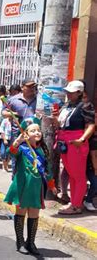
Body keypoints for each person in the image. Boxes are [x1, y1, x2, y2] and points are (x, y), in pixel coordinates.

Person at [4, 117, 57, 255]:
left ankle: (31, 242)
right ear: (26, 134)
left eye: (38, 130)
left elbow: (47, 170)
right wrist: (18, 141)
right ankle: (20, 241)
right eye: (33, 130)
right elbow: (10, 153)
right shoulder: (21, 149)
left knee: (34, 214)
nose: (37, 132)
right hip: (22, 185)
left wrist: (51, 184)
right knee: (21, 212)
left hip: (36, 187)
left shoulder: (43, 151)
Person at [52, 80, 95, 215]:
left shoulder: (86, 106)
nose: (68, 95)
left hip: (76, 142)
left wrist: (82, 139)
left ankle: (76, 205)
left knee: (78, 175)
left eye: (71, 92)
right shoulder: (67, 105)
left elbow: (91, 125)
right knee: (71, 174)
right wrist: (54, 119)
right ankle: (74, 201)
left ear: (79, 92)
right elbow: (61, 123)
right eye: (68, 92)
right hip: (64, 141)